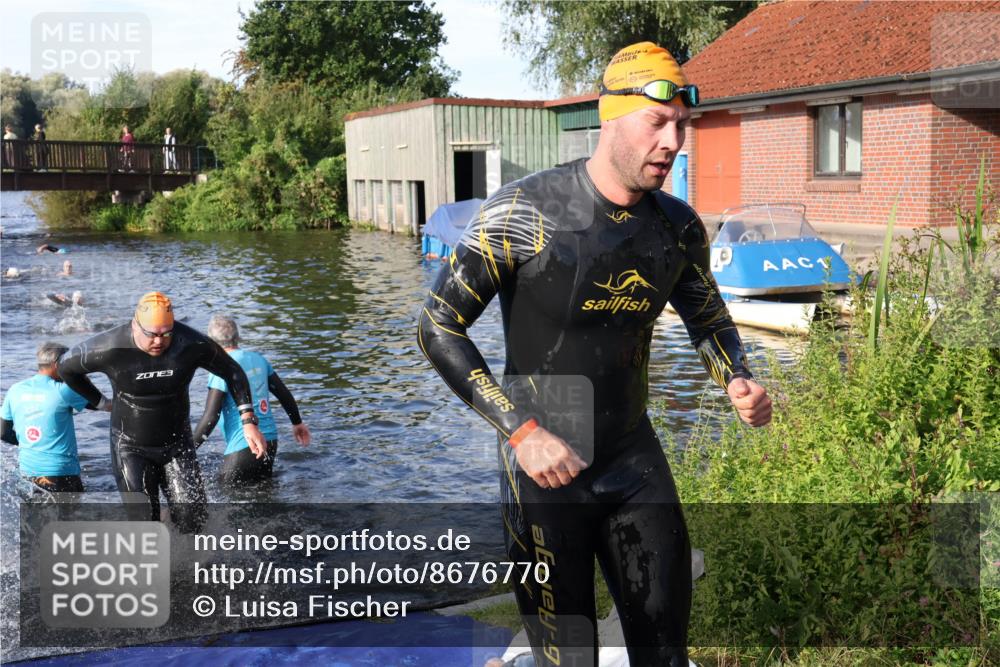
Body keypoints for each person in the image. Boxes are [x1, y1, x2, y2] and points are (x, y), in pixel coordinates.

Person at [418, 41, 771, 667]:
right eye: (657, 122)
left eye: (681, 127)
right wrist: (521, 431)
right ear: (611, 117)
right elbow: (439, 326)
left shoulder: (677, 226)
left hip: (632, 458)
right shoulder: (524, 212)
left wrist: (735, 376)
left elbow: (709, 317)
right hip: (543, 470)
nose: (673, 142)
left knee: (664, 651)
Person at [58, 292, 267, 531]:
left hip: (177, 444)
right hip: (130, 447)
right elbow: (66, 368)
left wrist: (248, 420)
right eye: (152, 334)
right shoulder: (111, 346)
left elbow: (233, 372)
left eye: (166, 333)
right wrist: (100, 402)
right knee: (145, 522)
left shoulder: (190, 343)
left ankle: (189, 564)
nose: (159, 341)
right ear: (136, 324)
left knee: (194, 521)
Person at [192, 314, 310, 486]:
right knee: (264, 495)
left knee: (225, 499)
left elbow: (211, 416)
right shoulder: (259, 360)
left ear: (212, 343)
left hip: (244, 445)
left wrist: (189, 450)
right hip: (270, 441)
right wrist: (297, 423)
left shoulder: (221, 367)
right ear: (237, 337)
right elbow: (283, 393)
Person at [1, 342, 110, 493]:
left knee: (33, 515)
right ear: (57, 365)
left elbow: (3, 433)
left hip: (27, 472)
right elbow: (105, 405)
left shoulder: (15, 390)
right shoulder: (64, 390)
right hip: (61, 472)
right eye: (68, 364)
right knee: (73, 515)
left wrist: (31, 445)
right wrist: (81, 379)